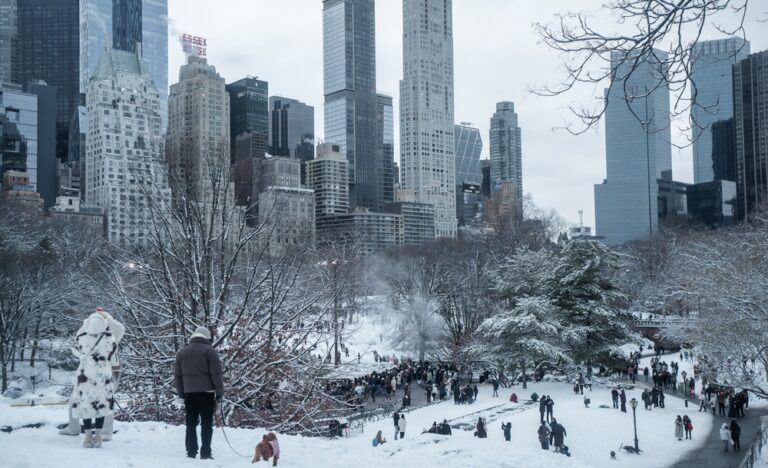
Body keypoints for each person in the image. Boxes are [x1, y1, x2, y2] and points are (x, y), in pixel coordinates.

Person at [61, 307, 125, 441]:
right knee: (77, 398)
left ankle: (105, 432)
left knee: (105, 399)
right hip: (92, 371)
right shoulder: (95, 337)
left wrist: (105, 317)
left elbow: (120, 328)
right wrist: (92, 319)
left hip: (109, 370)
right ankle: (74, 428)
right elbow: (79, 335)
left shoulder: (111, 333)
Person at [174, 326, 225, 460]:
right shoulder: (209, 351)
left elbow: (178, 377)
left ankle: (191, 452)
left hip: (189, 393)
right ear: (207, 338)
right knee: (206, 424)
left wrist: (181, 393)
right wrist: (219, 393)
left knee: (190, 424)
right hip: (206, 393)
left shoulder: (182, 353)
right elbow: (216, 374)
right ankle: (206, 453)